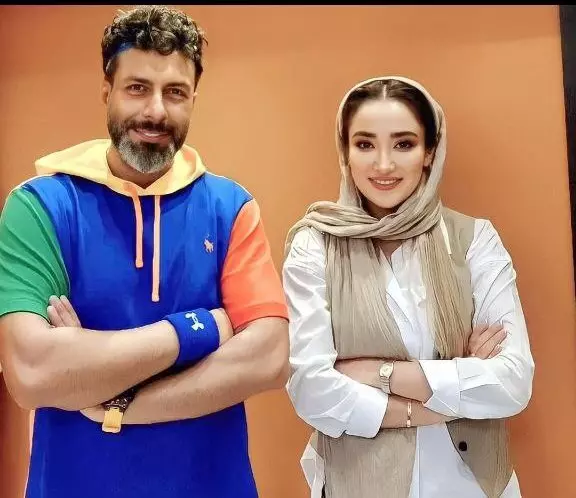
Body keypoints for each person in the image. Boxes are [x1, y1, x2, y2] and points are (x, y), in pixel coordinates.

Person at [0, 5, 289, 498]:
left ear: (193, 98)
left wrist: (114, 403)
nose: (156, 111)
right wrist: (198, 330)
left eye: (174, 92)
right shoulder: (40, 206)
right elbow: (31, 371)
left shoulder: (231, 208)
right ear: (107, 91)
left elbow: (269, 358)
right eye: (137, 88)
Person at [282, 76, 534, 498]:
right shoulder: (314, 246)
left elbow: (513, 382)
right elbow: (311, 391)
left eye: (403, 144)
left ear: (429, 152)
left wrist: (379, 374)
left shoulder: (475, 240)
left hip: (470, 485)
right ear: (345, 153)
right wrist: (451, 393)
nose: (383, 165)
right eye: (365, 144)